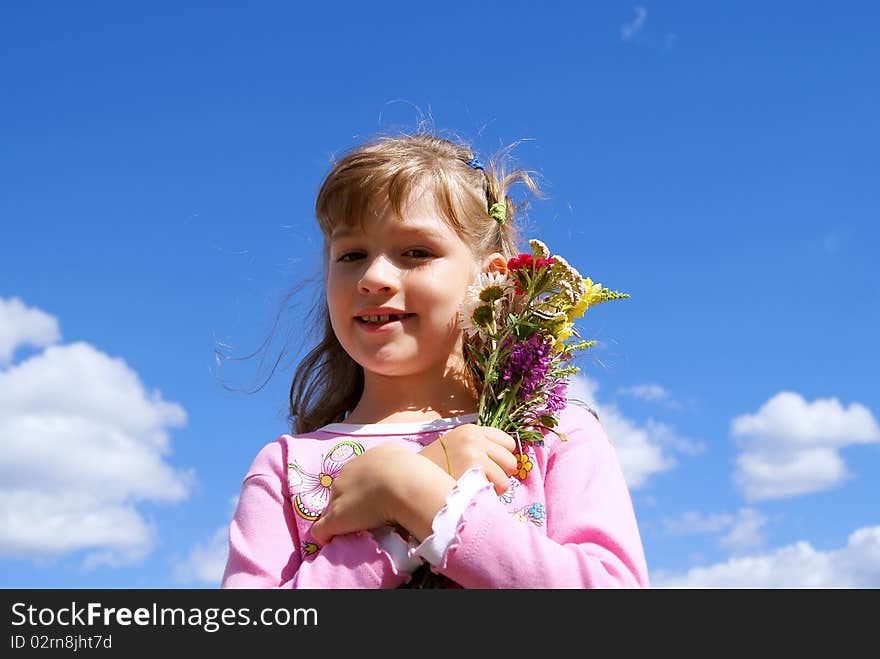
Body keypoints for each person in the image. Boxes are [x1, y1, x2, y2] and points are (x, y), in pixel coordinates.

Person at [220, 130, 650, 588]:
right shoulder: (286, 468)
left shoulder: (553, 436)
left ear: (489, 281)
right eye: (351, 254)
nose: (373, 276)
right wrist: (390, 519)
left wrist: (422, 495)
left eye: (416, 252)